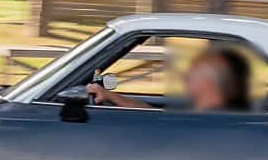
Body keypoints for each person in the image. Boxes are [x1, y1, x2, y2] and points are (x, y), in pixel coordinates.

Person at [88, 45, 251, 112]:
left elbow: (153, 121)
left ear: (206, 83)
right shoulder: (199, 111)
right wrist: (109, 95)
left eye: (192, 73)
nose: (185, 77)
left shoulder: (210, 121)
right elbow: (150, 113)